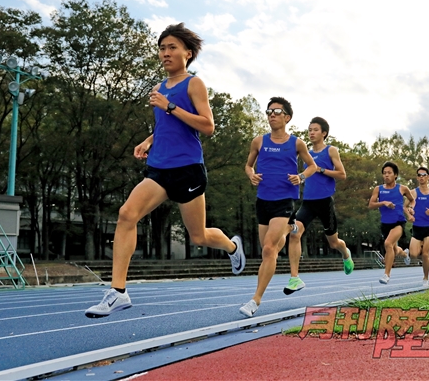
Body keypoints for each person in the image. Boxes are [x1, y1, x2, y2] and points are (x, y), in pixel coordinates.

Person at [85, 24, 245, 318]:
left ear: (188, 53)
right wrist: (148, 140)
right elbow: (164, 127)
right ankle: (118, 292)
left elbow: (208, 126)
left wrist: (169, 106)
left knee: (198, 237)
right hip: (158, 167)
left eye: (172, 47)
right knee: (126, 214)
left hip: (187, 169)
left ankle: (232, 247)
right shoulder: (158, 88)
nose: (166, 53)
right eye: (162, 48)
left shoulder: (193, 84)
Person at [240, 97, 317, 317]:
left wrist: (301, 176)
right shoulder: (258, 141)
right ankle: (290, 228)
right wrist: (251, 175)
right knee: (269, 249)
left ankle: (255, 300)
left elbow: (312, 166)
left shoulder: (296, 143)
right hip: (263, 200)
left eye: (277, 111)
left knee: (268, 248)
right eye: (269, 111)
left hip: (284, 200)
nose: (271, 114)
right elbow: (247, 165)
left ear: (287, 117)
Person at [285, 117, 353, 295]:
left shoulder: (331, 151)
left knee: (333, 243)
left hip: (325, 202)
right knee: (294, 233)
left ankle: (345, 253)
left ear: (324, 133)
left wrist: (321, 169)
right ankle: (294, 278)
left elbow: (342, 174)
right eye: (309, 130)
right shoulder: (305, 152)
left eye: (315, 129)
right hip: (308, 202)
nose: (311, 132)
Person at [368, 161, 415, 284]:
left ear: (395, 175)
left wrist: (411, 209)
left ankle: (386, 275)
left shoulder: (402, 188)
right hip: (385, 223)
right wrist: (383, 203)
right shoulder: (378, 189)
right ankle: (404, 254)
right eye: (384, 173)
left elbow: (412, 200)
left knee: (388, 244)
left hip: (398, 222)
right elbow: (371, 205)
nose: (386, 175)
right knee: (393, 249)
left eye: (389, 173)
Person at [407, 166, 429, 287]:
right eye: (419, 175)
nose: (421, 177)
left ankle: (425, 278)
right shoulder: (413, 192)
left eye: (423, 175)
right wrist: (409, 214)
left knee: (425, 254)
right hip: (417, 226)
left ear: (428, 177)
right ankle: (413, 249)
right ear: (417, 178)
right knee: (413, 254)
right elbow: (404, 206)